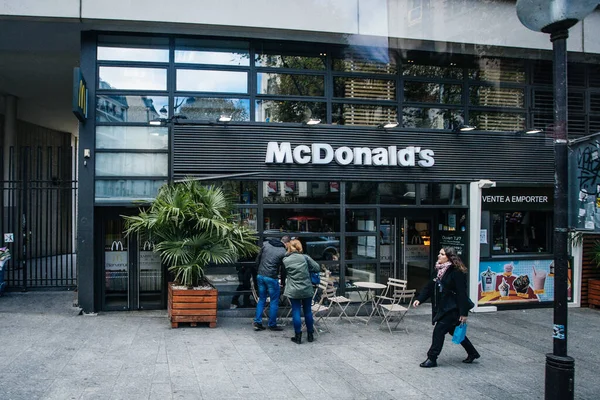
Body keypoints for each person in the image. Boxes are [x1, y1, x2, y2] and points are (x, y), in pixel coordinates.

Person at [413, 247, 479, 368]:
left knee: (439, 331)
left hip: (452, 308)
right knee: (453, 331)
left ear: (449, 257)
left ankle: (432, 358)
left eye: (442, 254)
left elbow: (461, 293)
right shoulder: (438, 269)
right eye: (439, 253)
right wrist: (419, 299)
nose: (439, 256)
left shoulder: (456, 272)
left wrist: (464, 313)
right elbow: (429, 287)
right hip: (442, 307)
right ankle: (472, 352)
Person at [282, 239, 320, 344]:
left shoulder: (286, 260)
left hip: (293, 290)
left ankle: (298, 337)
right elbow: (317, 268)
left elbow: (284, 274)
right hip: (306, 289)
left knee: (296, 311)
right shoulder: (305, 258)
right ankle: (310, 335)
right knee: (308, 311)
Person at [253, 235, 290, 331]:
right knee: (274, 301)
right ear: (287, 243)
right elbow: (283, 270)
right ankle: (272, 324)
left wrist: (258, 272)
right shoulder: (283, 252)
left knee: (262, 299)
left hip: (260, 276)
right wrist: (282, 282)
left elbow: (258, 260)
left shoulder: (266, 244)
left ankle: (258, 322)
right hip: (271, 278)